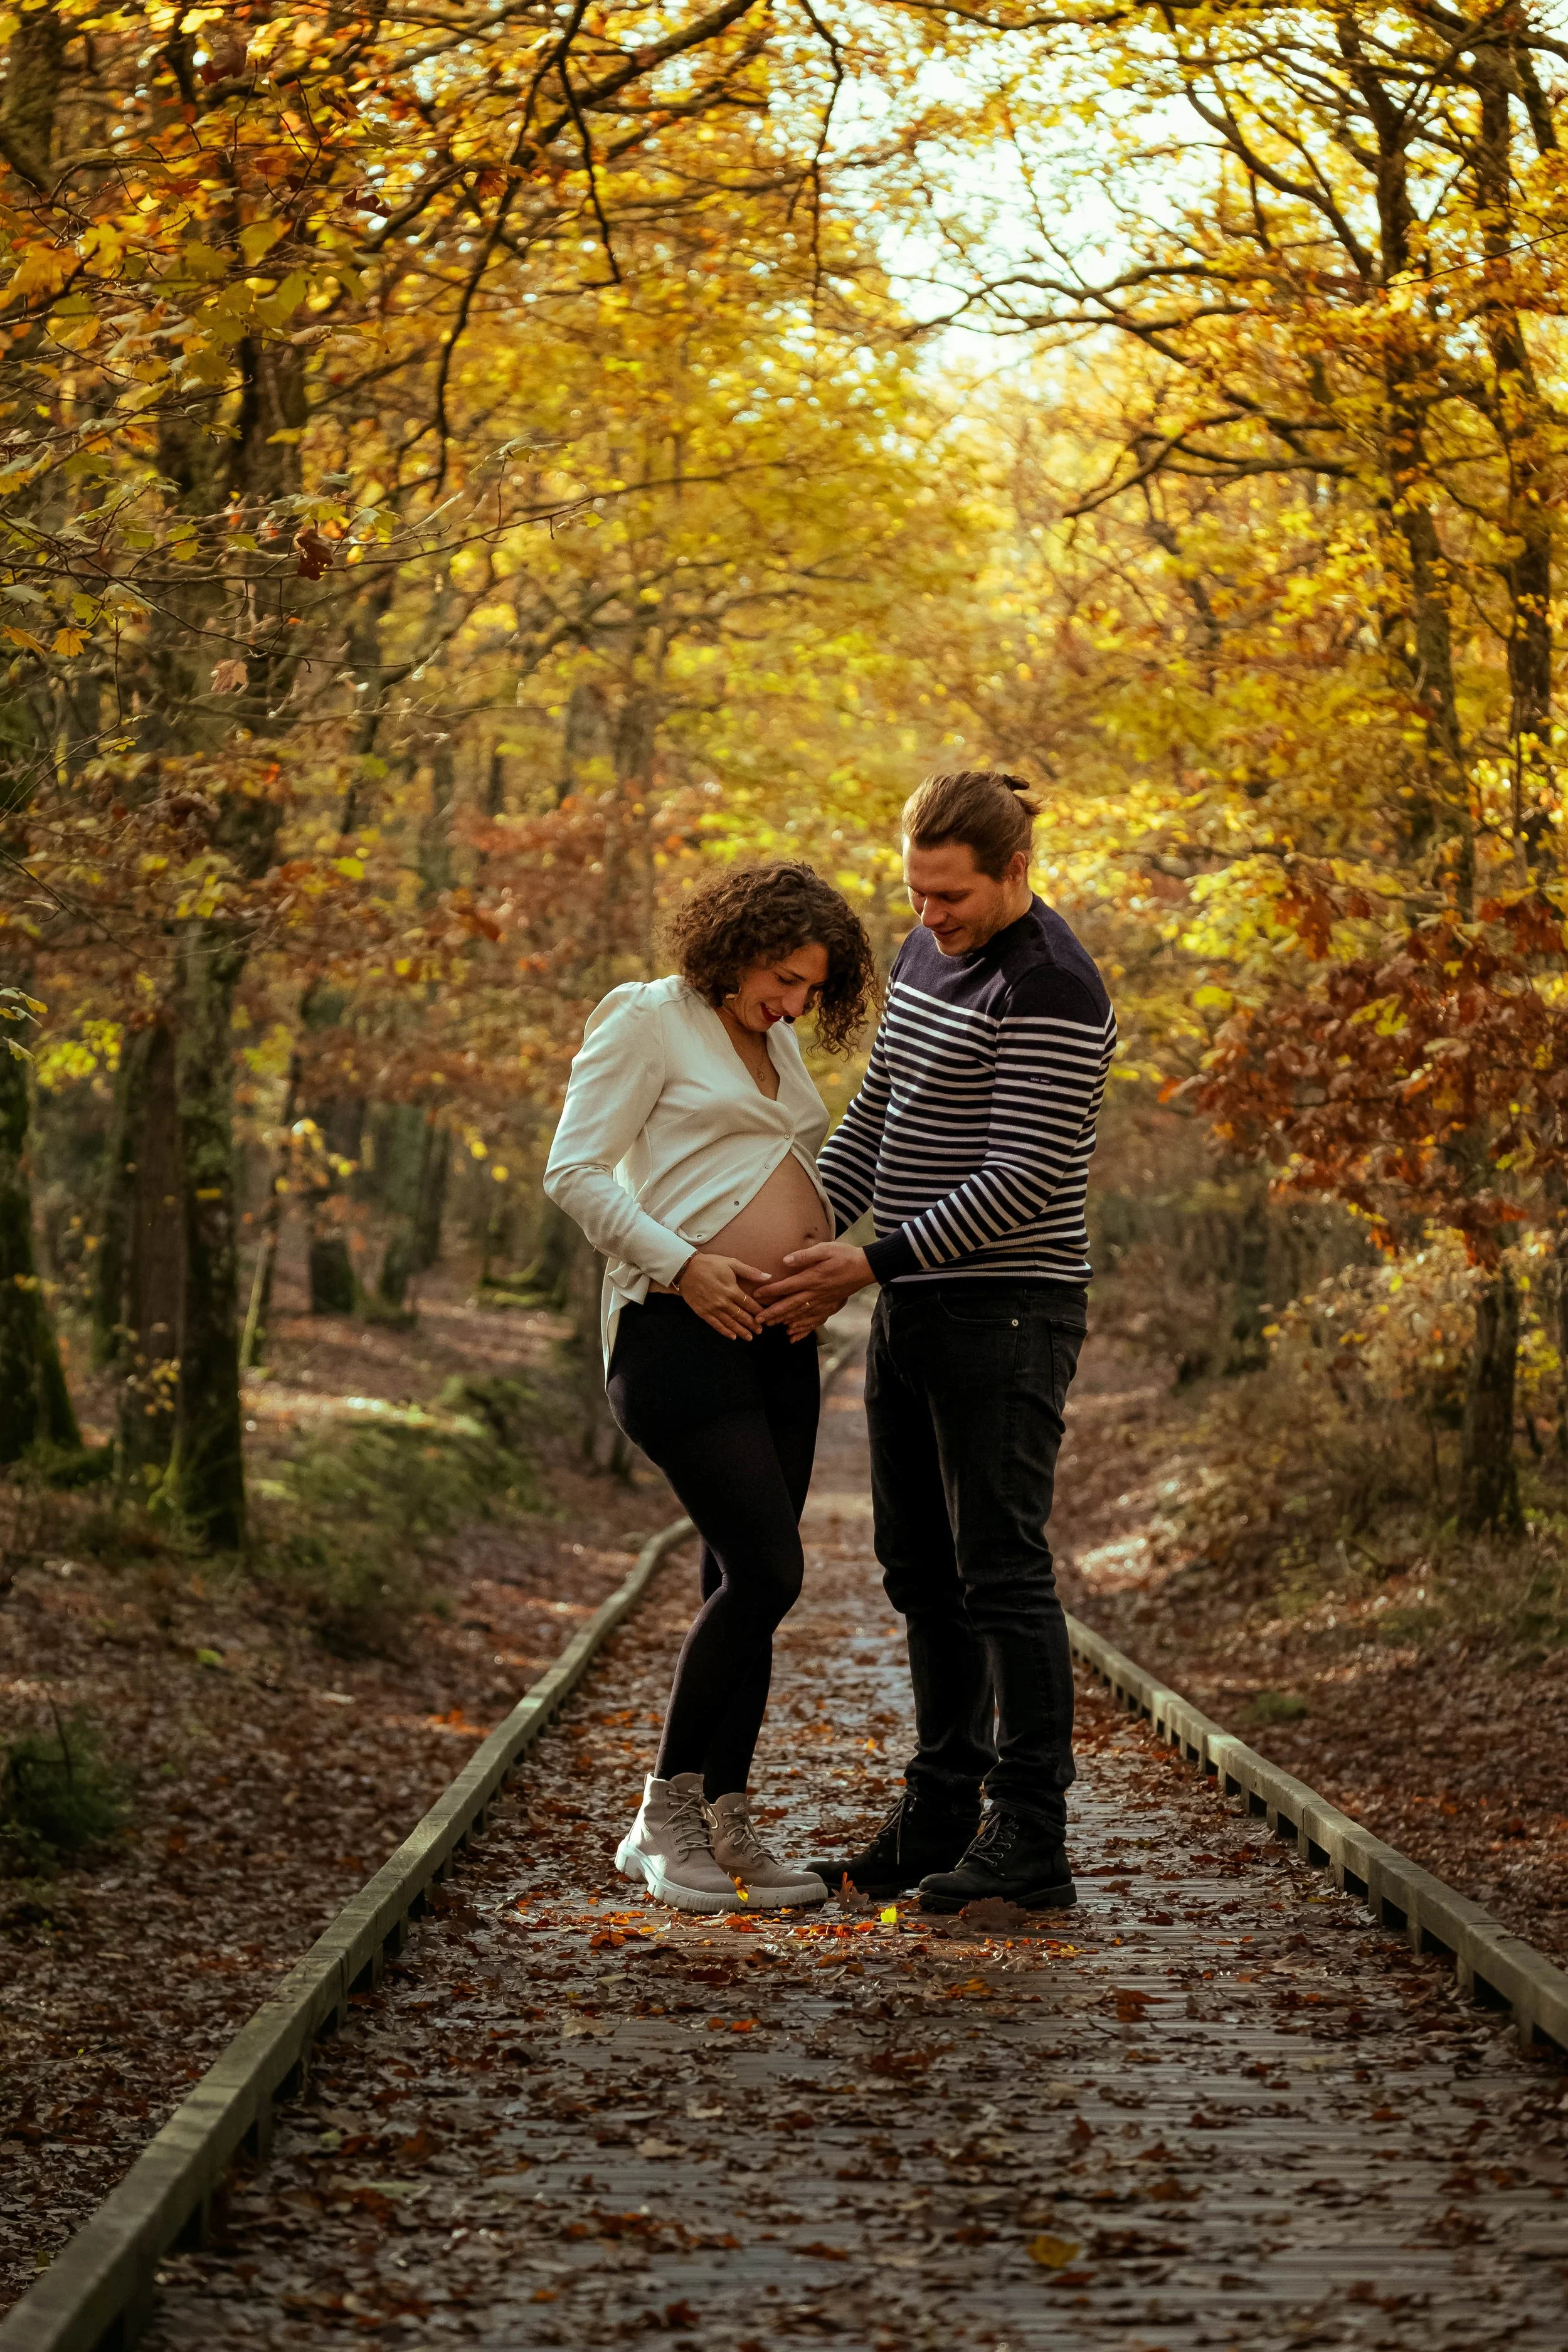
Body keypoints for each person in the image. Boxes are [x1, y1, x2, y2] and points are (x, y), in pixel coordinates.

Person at [758, 771, 1116, 1912]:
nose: (930, 916)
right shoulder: (926, 953)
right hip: (912, 1306)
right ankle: (943, 1810)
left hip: (1007, 1312)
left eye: (952, 895)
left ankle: (1032, 1832)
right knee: (919, 1573)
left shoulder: (1051, 984)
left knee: (1001, 1572)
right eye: (916, 892)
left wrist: (867, 1262)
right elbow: (881, 1117)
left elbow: (1023, 1178)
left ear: (1016, 871)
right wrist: (813, 1241)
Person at [543, 862, 876, 1914]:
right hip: (676, 1334)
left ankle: (727, 1820)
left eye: (815, 988)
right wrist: (684, 1261)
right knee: (771, 1569)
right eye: (785, 976)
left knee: (740, 1580)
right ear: (735, 945)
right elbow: (575, 1170)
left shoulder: (767, 1033)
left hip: (779, 1339)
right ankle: (660, 1819)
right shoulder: (650, 1018)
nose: (797, 1004)